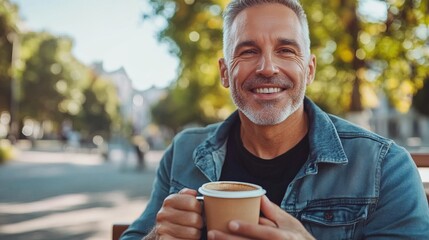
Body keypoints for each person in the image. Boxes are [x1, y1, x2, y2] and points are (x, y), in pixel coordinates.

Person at [121, 0, 429, 239]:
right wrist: (158, 236)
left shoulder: (386, 168)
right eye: (248, 51)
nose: (267, 67)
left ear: (309, 70)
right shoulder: (183, 152)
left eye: (285, 50)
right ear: (225, 73)